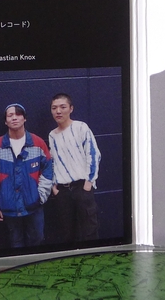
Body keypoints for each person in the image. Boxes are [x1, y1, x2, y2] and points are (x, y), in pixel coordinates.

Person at [0, 103, 53, 248]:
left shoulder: (38, 143)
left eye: (18, 114)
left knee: (37, 240)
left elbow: (48, 170)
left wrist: (40, 196)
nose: (14, 118)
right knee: (15, 243)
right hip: (8, 207)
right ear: (5, 121)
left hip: (34, 205)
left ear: (25, 119)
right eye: (10, 115)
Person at [47, 93, 101, 243]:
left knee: (89, 232)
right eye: (54, 108)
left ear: (71, 108)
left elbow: (93, 154)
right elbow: (53, 162)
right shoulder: (52, 135)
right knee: (67, 235)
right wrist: (54, 187)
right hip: (62, 192)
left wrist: (88, 183)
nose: (58, 111)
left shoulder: (80, 127)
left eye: (62, 107)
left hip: (81, 188)